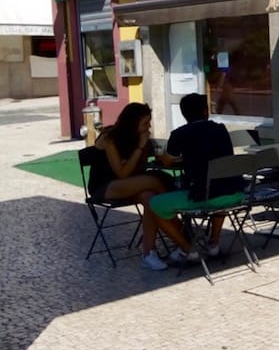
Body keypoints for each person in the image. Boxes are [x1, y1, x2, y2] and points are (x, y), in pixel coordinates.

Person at [151, 93, 244, 264]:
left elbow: (168, 159)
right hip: (235, 191)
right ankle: (214, 243)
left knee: (154, 204)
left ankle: (187, 250)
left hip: (205, 196)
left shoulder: (180, 134)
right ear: (205, 111)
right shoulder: (221, 129)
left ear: (184, 114)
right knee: (218, 183)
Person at [88, 102, 175, 271]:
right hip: (104, 187)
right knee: (154, 181)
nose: (148, 127)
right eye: (145, 123)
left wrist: (150, 152)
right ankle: (179, 229)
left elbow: (139, 168)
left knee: (150, 198)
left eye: (149, 123)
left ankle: (148, 254)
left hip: (128, 184)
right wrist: (141, 146)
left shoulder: (136, 137)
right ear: (132, 122)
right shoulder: (110, 138)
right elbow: (122, 174)